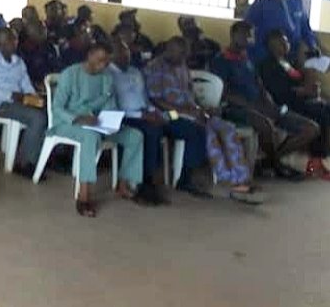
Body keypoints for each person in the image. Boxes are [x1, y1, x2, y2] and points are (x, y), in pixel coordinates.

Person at [146, 37, 265, 203]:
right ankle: (189, 179)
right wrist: (184, 111)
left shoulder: (182, 66)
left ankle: (241, 176)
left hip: (190, 111)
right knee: (201, 131)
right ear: (169, 49)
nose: (183, 58)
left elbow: (189, 95)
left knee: (226, 127)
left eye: (185, 54)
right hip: (167, 115)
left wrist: (199, 108)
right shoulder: (155, 68)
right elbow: (155, 99)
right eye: (181, 54)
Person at [210, 21, 319, 181]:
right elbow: (223, 93)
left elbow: (258, 84)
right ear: (233, 35)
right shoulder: (221, 60)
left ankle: (269, 162)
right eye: (245, 34)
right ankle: (277, 165)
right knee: (265, 124)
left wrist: (267, 100)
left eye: (251, 35)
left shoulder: (246, 58)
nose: (249, 38)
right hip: (234, 108)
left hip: (261, 104)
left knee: (311, 128)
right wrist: (251, 105)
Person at [48, 43, 144, 217]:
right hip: (68, 123)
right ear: (90, 55)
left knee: (134, 136)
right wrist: (78, 118)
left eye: (107, 62)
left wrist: (111, 122)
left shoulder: (106, 77)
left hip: (97, 123)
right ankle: (84, 194)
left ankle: (123, 183)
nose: (103, 65)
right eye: (100, 60)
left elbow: (110, 104)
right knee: (90, 137)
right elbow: (57, 108)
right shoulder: (71, 74)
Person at [109, 34, 207, 204]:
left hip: (154, 113)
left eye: (127, 52)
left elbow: (147, 98)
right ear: (111, 55)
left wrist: (154, 113)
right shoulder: (108, 75)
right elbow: (114, 108)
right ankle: (146, 184)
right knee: (154, 131)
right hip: (128, 118)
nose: (126, 56)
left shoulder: (135, 72)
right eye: (121, 53)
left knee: (190, 125)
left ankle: (185, 177)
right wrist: (144, 115)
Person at [0, 28, 48, 178]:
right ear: (0, 43)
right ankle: (24, 163)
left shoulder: (18, 61)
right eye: (10, 41)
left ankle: (40, 156)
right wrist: (12, 96)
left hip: (19, 100)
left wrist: (33, 97)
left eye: (15, 40)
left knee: (47, 111)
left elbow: (26, 83)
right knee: (37, 118)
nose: (14, 43)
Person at [257, 30, 330, 178]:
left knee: (326, 108)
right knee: (322, 114)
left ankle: (319, 160)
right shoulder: (267, 65)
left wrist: (312, 89)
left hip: (300, 101)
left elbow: (299, 80)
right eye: (282, 42)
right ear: (272, 46)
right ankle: (313, 161)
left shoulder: (287, 62)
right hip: (284, 105)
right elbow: (278, 93)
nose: (286, 45)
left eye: (287, 42)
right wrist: (302, 91)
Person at [246, 0, 320, 63]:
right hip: (269, 55)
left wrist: (312, 45)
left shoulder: (296, 1)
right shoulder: (261, 5)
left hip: (294, 54)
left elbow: (305, 27)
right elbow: (247, 29)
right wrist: (256, 54)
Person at [18, 20, 58, 89]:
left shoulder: (48, 47)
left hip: (52, 84)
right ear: (30, 34)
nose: (45, 31)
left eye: (44, 28)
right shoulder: (20, 52)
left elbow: (57, 67)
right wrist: (36, 85)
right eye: (40, 30)